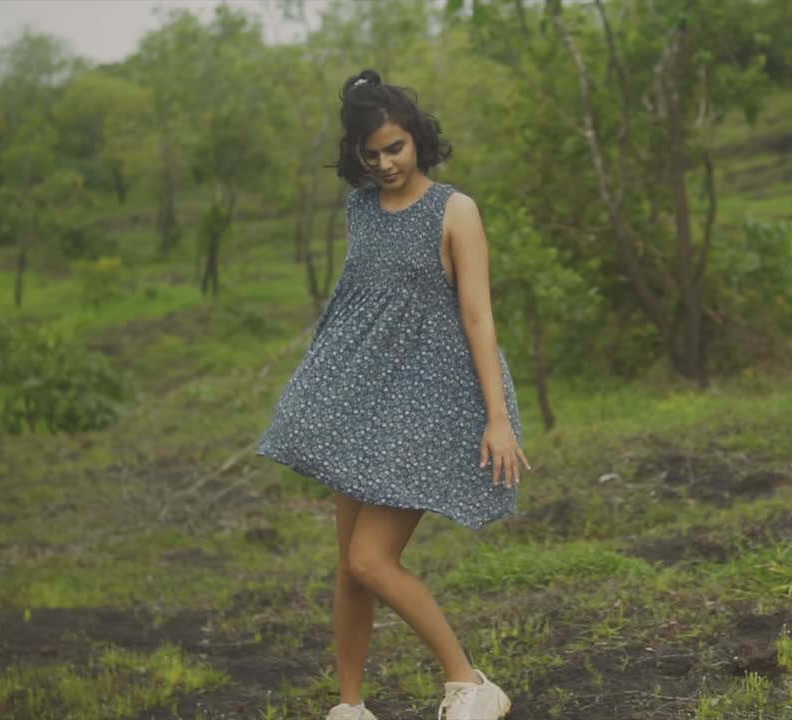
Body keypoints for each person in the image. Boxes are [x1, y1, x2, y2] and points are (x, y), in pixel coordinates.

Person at [255, 68, 531, 720]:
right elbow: (358, 306)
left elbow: (478, 318)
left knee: (371, 560)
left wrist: (497, 417)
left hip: (432, 405)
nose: (384, 164)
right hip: (365, 404)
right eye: (371, 153)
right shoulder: (359, 210)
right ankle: (351, 706)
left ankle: (470, 683)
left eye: (395, 148)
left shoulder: (455, 211)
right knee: (348, 568)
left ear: (417, 138)